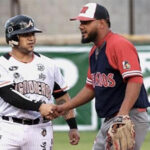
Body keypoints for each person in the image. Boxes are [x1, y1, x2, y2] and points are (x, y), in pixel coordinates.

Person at [55, 3, 150, 150]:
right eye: (80, 22)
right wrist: (66, 107)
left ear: (101, 23)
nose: (81, 26)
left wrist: (122, 115)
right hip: (111, 118)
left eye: (86, 22)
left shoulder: (119, 45)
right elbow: (91, 88)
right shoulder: (94, 51)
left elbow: (135, 80)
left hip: (129, 116)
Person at [0, 15, 80, 150]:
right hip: (8, 128)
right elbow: (9, 95)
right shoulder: (2, 64)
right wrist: (40, 106)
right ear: (13, 38)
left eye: (33, 34)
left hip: (40, 129)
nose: (31, 38)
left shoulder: (49, 64)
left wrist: (73, 126)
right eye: (25, 34)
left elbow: (61, 97)